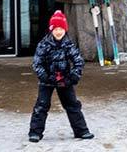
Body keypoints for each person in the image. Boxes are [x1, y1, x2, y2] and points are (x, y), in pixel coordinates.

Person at [28, 10, 94, 142]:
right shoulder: (44, 45)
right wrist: (44, 76)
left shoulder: (68, 45)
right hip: (47, 80)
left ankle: (81, 130)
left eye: (61, 29)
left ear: (65, 30)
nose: (59, 32)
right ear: (51, 30)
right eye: (56, 29)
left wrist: (74, 75)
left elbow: (78, 61)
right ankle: (35, 132)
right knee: (41, 105)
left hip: (65, 80)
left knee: (72, 105)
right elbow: (37, 63)